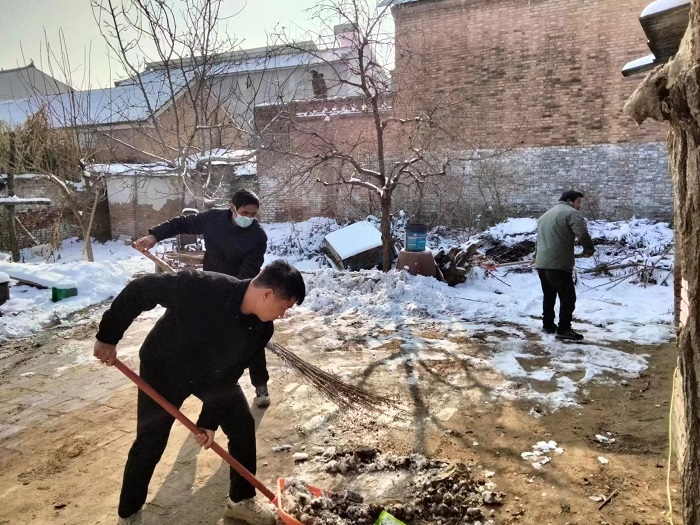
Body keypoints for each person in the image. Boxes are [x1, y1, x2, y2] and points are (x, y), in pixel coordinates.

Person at [93, 260, 306, 525]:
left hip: (210, 377)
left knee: (241, 425)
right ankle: (129, 514)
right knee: (151, 441)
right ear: (267, 294)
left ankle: (240, 501)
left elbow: (229, 375)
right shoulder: (202, 286)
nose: (282, 315)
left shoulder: (260, 328)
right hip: (164, 368)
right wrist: (108, 336)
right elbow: (141, 290)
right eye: (284, 308)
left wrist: (208, 421)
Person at [134, 189, 272, 407]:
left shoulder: (257, 236)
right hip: (209, 284)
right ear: (232, 208)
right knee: (207, 335)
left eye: (254, 214)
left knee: (252, 335)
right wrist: (155, 235)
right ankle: (207, 384)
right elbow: (183, 223)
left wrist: (233, 299)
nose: (249, 218)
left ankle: (260, 384)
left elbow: (250, 270)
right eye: (245, 212)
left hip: (242, 289)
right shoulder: (213, 219)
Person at [534, 190, 595, 341]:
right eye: (578, 202)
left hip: (542, 262)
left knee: (549, 295)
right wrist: (589, 249)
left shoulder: (545, 215)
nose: (579, 205)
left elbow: (539, 240)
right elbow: (582, 233)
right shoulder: (571, 213)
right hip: (558, 263)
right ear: (570, 201)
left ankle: (548, 324)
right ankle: (564, 329)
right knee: (568, 297)